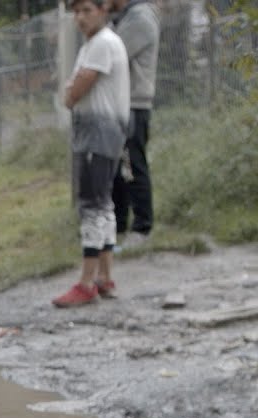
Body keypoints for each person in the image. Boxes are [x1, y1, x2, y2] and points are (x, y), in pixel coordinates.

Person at [53, 0, 129, 308]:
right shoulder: (95, 44)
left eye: (87, 10)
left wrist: (70, 92)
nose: (80, 18)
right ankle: (104, 278)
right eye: (76, 12)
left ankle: (85, 283)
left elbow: (75, 91)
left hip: (97, 133)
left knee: (91, 205)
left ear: (103, 9)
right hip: (102, 133)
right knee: (104, 204)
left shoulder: (101, 44)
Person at [110, 0, 159, 248]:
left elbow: (113, 54)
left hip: (135, 104)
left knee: (133, 165)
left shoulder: (140, 18)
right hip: (121, 103)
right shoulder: (124, 17)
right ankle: (118, 225)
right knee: (117, 168)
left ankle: (142, 227)